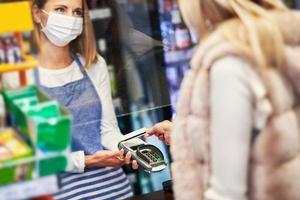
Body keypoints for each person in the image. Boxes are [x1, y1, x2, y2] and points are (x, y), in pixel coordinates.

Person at [147, 0, 300, 199]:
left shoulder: (229, 63)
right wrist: (182, 134)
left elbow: (227, 192)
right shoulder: (275, 42)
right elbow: (266, 136)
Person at [3, 0, 138, 199]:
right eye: (60, 9)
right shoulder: (17, 75)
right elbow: (29, 154)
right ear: (36, 13)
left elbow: (108, 130)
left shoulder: (94, 64)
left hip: (113, 189)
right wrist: (87, 161)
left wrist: (133, 147)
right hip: (58, 192)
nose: (70, 19)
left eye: (77, 12)